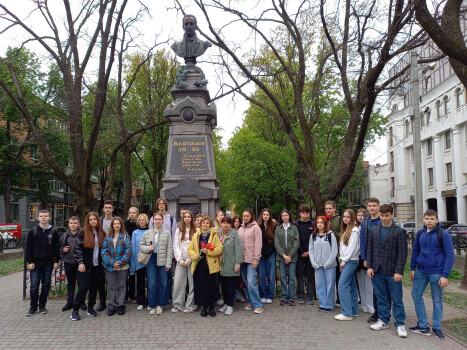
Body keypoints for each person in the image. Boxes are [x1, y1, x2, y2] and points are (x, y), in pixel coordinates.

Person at [409, 209, 455, 340]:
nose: (429, 221)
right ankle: (423, 325)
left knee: (437, 300)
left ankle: (437, 327)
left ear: (437, 220)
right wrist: (413, 268)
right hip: (421, 271)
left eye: (432, 219)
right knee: (415, 295)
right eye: (427, 218)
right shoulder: (420, 233)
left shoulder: (444, 234)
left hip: (437, 272)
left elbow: (450, 256)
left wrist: (445, 275)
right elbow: (415, 251)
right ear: (424, 219)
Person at [366, 204, 408, 338]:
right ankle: (384, 320)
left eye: (387, 215)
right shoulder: (373, 230)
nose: (384, 218)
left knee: (397, 299)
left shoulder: (399, 232)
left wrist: (399, 271)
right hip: (377, 270)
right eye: (382, 215)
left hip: (393, 271)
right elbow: (370, 250)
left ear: (392, 215)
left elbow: (402, 253)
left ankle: (400, 323)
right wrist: (370, 267)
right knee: (381, 297)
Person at [71, 212, 106, 321]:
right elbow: (77, 250)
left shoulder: (102, 233)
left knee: (94, 288)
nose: (93, 221)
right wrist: (80, 263)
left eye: (95, 219)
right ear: (88, 221)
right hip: (85, 266)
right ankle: (75, 310)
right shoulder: (83, 233)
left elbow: (104, 250)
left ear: (97, 220)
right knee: (83, 287)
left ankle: (91, 308)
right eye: (91, 220)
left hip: (97, 266)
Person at [25, 209, 60, 316]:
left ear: (49, 218)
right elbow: (28, 247)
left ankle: (42, 306)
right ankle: (33, 307)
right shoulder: (33, 231)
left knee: (45, 285)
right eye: (41, 216)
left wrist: (56, 261)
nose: (43, 218)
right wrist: (30, 261)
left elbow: (56, 247)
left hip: (48, 263)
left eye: (45, 216)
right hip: (35, 263)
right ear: (38, 218)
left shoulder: (53, 231)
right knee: (34, 286)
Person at [188, 216, 223, 317]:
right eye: (203, 223)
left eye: (207, 223)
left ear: (210, 224)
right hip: (199, 266)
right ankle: (203, 307)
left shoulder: (214, 235)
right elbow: (190, 249)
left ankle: (211, 307)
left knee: (212, 287)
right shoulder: (196, 235)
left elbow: (219, 249)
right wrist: (195, 255)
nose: (205, 225)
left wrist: (209, 251)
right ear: (200, 224)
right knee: (201, 288)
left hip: (210, 266)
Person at [140, 212, 173, 315]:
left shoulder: (167, 233)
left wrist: (168, 263)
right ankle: (152, 305)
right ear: (153, 221)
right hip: (151, 259)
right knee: (152, 283)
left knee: (163, 283)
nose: (158, 221)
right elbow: (141, 246)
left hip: (163, 259)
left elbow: (169, 249)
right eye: (156, 219)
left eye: (160, 219)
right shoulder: (147, 233)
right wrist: (148, 248)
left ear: (163, 221)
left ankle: (160, 304)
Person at [101, 217, 131, 316]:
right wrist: (112, 262)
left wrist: (120, 262)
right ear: (112, 225)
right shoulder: (108, 236)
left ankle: (121, 305)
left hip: (122, 266)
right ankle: (111, 305)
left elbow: (128, 251)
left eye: (118, 223)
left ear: (121, 225)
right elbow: (104, 251)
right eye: (115, 224)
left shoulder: (126, 236)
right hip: (110, 266)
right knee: (112, 286)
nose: (116, 225)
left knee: (122, 286)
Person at [150, 198, 177, 302]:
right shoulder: (153, 218)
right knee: (156, 278)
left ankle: (168, 296)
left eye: (163, 204)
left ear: (166, 205)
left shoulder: (171, 218)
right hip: (156, 252)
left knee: (168, 276)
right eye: (159, 204)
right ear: (157, 206)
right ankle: (157, 297)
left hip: (167, 252)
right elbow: (150, 234)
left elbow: (174, 235)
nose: (161, 205)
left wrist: (173, 253)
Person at [334, 209, 360, 321]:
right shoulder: (346, 230)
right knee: (352, 285)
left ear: (353, 218)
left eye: (348, 217)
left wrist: (343, 261)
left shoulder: (354, 231)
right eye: (344, 216)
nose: (345, 219)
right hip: (347, 260)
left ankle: (346, 313)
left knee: (342, 284)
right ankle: (354, 310)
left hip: (350, 261)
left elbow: (352, 249)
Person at [309, 216, 338, 312]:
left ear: (325, 224)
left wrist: (328, 263)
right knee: (320, 284)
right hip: (318, 265)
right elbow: (311, 250)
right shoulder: (313, 236)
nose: (320, 224)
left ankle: (329, 305)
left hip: (329, 265)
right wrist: (313, 262)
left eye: (322, 222)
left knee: (330, 285)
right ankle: (322, 303)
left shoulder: (330, 235)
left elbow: (334, 250)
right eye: (318, 222)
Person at [360, 198, 381, 323]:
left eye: (374, 205)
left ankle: (384, 312)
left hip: (383, 257)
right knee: (375, 286)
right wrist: (365, 258)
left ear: (378, 206)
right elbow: (363, 240)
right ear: (367, 207)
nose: (372, 208)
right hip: (371, 258)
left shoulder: (383, 219)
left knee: (383, 287)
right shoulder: (365, 221)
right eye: (370, 206)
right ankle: (376, 312)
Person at [238, 209, 264, 314]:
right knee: (246, 282)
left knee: (251, 281)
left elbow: (258, 244)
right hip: (242, 259)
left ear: (251, 216)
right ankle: (250, 301)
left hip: (251, 259)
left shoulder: (256, 228)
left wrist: (256, 259)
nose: (245, 218)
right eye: (244, 216)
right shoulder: (241, 228)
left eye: (247, 216)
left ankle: (258, 304)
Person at [172, 210, 197, 313]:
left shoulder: (196, 231)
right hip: (181, 261)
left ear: (191, 218)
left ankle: (190, 305)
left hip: (192, 260)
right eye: (185, 217)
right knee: (178, 283)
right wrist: (180, 259)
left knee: (192, 284)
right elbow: (176, 246)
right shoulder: (179, 230)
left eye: (189, 217)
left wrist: (190, 260)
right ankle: (178, 304)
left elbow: (196, 247)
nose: (187, 218)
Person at [275, 209, 300, 307]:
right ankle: (284, 297)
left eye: (286, 215)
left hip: (292, 257)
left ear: (289, 216)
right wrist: (284, 255)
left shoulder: (294, 228)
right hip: (281, 257)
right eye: (283, 215)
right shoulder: (278, 228)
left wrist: (289, 255)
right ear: (281, 217)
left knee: (292, 278)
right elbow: (276, 243)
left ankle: (291, 298)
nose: (284, 217)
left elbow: (296, 243)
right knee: (283, 277)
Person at [218, 217, 243, 315]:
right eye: (223, 223)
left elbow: (239, 250)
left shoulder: (234, 234)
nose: (225, 225)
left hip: (231, 264)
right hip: (221, 265)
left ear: (230, 224)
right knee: (223, 286)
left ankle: (230, 306)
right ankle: (226, 303)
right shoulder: (218, 234)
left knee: (230, 286)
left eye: (227, 223)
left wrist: (237, 263)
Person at [295, 204, 316, 305]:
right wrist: (301, 251)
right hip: (299, 254)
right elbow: (295, 240)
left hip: (310, 254)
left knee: (310, 275)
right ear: (300, 214)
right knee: (299, 275)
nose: (305, 215)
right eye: (303, 213)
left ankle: (310, 296)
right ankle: (300, 295)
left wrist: (309, 252)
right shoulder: (296, 225)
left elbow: (315, 239)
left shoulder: (313, 224)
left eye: (307, 213)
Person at [97, 199, 115, 312]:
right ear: (103, 209)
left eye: (110, 208)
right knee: (100, 279)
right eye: (106, 207)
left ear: (112, 209)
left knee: (113, 279)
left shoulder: (116, 221)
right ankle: (102, 302)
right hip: (101, 251)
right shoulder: (99, 221)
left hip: (114, 252)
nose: (108, 209)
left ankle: (113, 301)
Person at [60, 216, 81, 312]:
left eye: (75, 223)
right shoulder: (65, 236)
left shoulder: (82, 234)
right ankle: (69, 302)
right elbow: (60, 247)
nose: (73, 225)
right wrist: (63, 250)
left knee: (81, 284)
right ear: (68, 224)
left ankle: (81, 302)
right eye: (71, 223)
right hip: (69, 262)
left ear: (78, 224)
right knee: (71, 283)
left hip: (80, 263)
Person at [129, 214, 150, 311]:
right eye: (140, 220)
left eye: (143, 220)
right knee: (140, 282)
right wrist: (133, 264)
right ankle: (141, 302)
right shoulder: (135, 233)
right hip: (139, 261)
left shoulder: (151, 231)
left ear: (146, 221)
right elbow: (133, 248)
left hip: (149, 260)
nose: (142, 221)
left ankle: (150, 301)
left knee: (150, 282)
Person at [257, 208, 276, 304]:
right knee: (261, 276)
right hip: (260, 255)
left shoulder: (273, 227)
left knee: (271, 276)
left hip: (270, 254)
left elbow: (274, 242)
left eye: (267, 215)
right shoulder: (258, 227)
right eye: (264, 214)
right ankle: (263, 295)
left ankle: (270, 295)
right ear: (261, 215)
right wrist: (261, 253)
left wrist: (268, 252)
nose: (265, 216)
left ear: (270, 216)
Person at [325, 200, 341, 306]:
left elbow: (343, 233)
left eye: (330, 208)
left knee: (339, 278)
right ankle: (328, 299)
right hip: (326, 252)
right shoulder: (324, 220)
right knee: (330, 277)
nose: (328, 210)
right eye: (326, 209)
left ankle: (339, 299)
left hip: (338, 252)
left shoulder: (339, 219)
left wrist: (334, 234)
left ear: (334, 208)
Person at [125, 206, 139, 302]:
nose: (132, 214)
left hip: (137, 252)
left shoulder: (139, 224)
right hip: (126, 252)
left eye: (134, 212)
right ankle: (125, 296)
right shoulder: (125, 224)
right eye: (131, 212)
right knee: (126, 274)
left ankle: (133, 295)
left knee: (135, 275)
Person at [232, 215, 247, 302]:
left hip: (242, 255)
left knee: (241, 277)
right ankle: (236, 295)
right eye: (235, 221)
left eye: (238, 221)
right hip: (233, 256)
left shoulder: (242, 230)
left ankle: (243, 295)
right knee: (235, 277)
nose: (236, 223)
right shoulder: (231, 231)